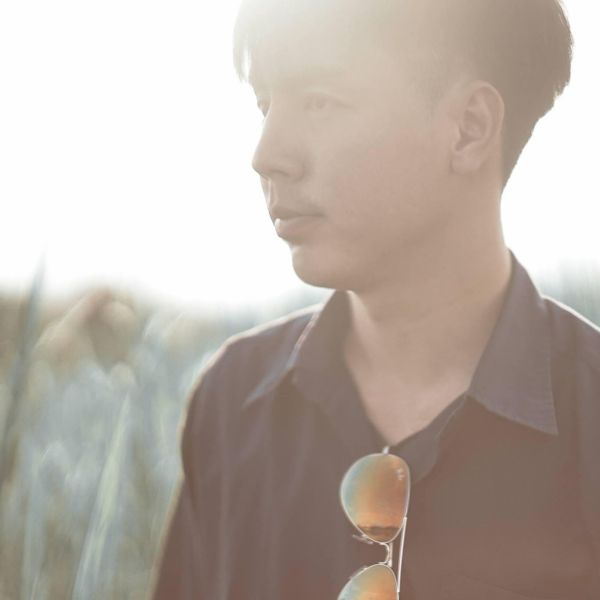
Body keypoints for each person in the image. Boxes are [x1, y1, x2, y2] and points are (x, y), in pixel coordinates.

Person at [151, 0, 600, 598]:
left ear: (468, 128)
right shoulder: (232, 403)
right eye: (265, 104)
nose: (266, 155)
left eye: (320, 102)